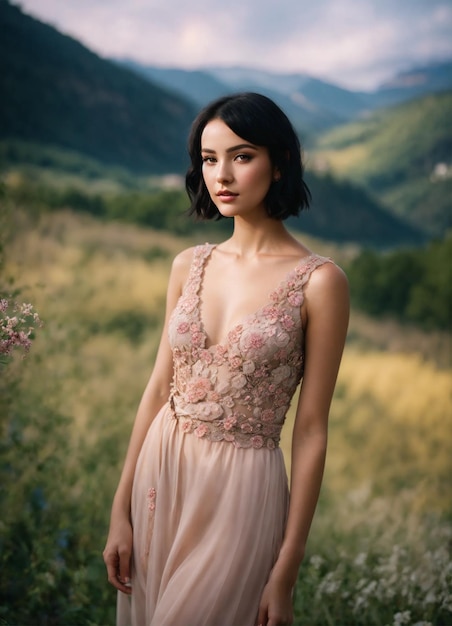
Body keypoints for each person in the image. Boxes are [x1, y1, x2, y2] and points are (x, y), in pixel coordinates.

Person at [103, 92, 349, 626]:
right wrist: (118, 509)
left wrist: (286, 570)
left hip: (241, 490)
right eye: (209, 159)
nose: (223, 175)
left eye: (241, 156)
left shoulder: (321, 282)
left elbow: (311, 432)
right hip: (159, 474)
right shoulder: (188, 264)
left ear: (279, 162)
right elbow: (156, 390)